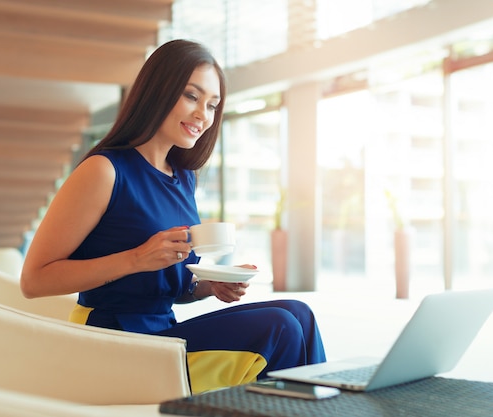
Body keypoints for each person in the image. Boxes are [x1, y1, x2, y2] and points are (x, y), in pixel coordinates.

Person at [20, 39, 326, 394]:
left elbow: (168, 285)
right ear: (157, 91)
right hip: (111, 340)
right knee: (279, 326)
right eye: (192, 97)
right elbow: (34, 280)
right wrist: (135, 259)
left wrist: (208, 287)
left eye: (212, 105)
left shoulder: (182, 177)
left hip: (161, 330)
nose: (203, 115)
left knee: (299, 313)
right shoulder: (104, 171)